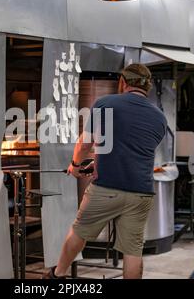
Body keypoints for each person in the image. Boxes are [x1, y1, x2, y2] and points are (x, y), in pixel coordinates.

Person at [43, 64, 167, 279]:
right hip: (141, 192)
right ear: (147, 86)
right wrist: (98, 163)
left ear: (123, 82)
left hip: (106, 189)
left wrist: (75, 165)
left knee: (80, 231)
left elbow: (85, 144)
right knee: (133, 249)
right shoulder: (159, 117)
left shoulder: (106, 103)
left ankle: (58, 274)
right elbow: (132, 150)